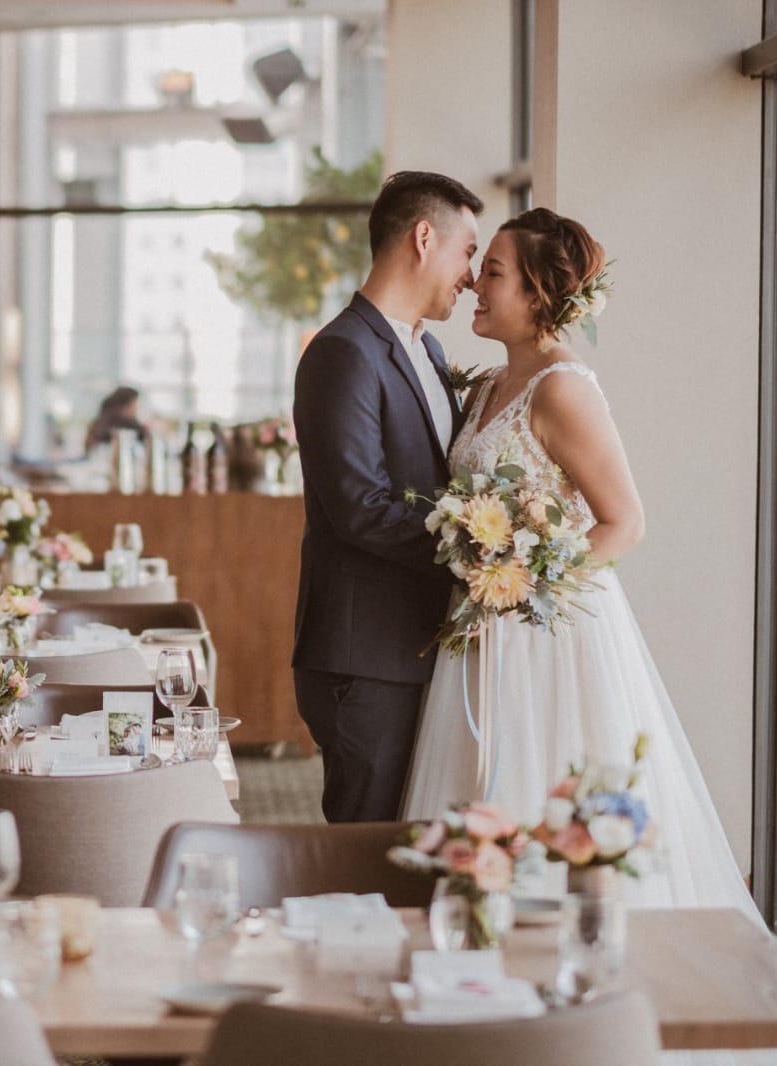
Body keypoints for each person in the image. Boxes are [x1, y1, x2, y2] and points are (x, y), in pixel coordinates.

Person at [402, 208, 755, 915]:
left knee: (547, 798)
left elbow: (624, 522)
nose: (475, 283)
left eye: (494, 273)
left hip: (546, 638)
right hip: (479, 626)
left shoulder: (563, 388)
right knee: (477, 797)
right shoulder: (486, 387)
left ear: (537, 294)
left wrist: (520, 585)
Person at [292, 171, 479, 822]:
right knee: (362, 858)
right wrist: (478, 550)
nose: (472, 274)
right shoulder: (342, 352)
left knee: (411, 849)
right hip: (365, 659)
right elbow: (359, 508)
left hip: (419, 648)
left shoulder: (426, 347)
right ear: (424, 239)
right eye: (468, 252)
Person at [85, 386, 148, 452]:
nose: (136, 409)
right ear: (125, 405)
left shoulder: (98, 424)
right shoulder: (128, 427)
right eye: (134, 404)